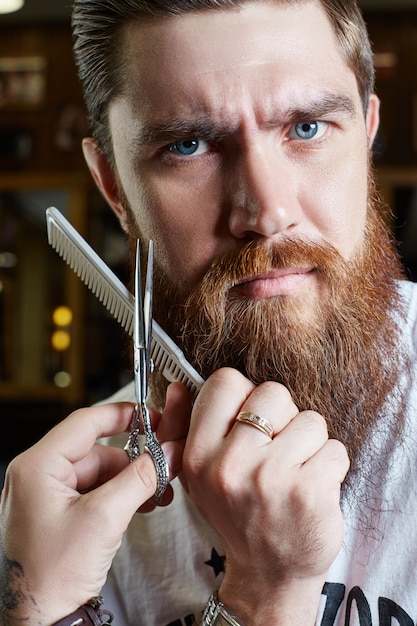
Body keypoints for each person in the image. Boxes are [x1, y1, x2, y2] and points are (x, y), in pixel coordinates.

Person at [1, 0, 417, 624]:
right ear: (113, 187)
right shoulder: (71, 527)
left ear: (367, 132)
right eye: (188, 145)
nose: (266, 212)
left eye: (307, 128)